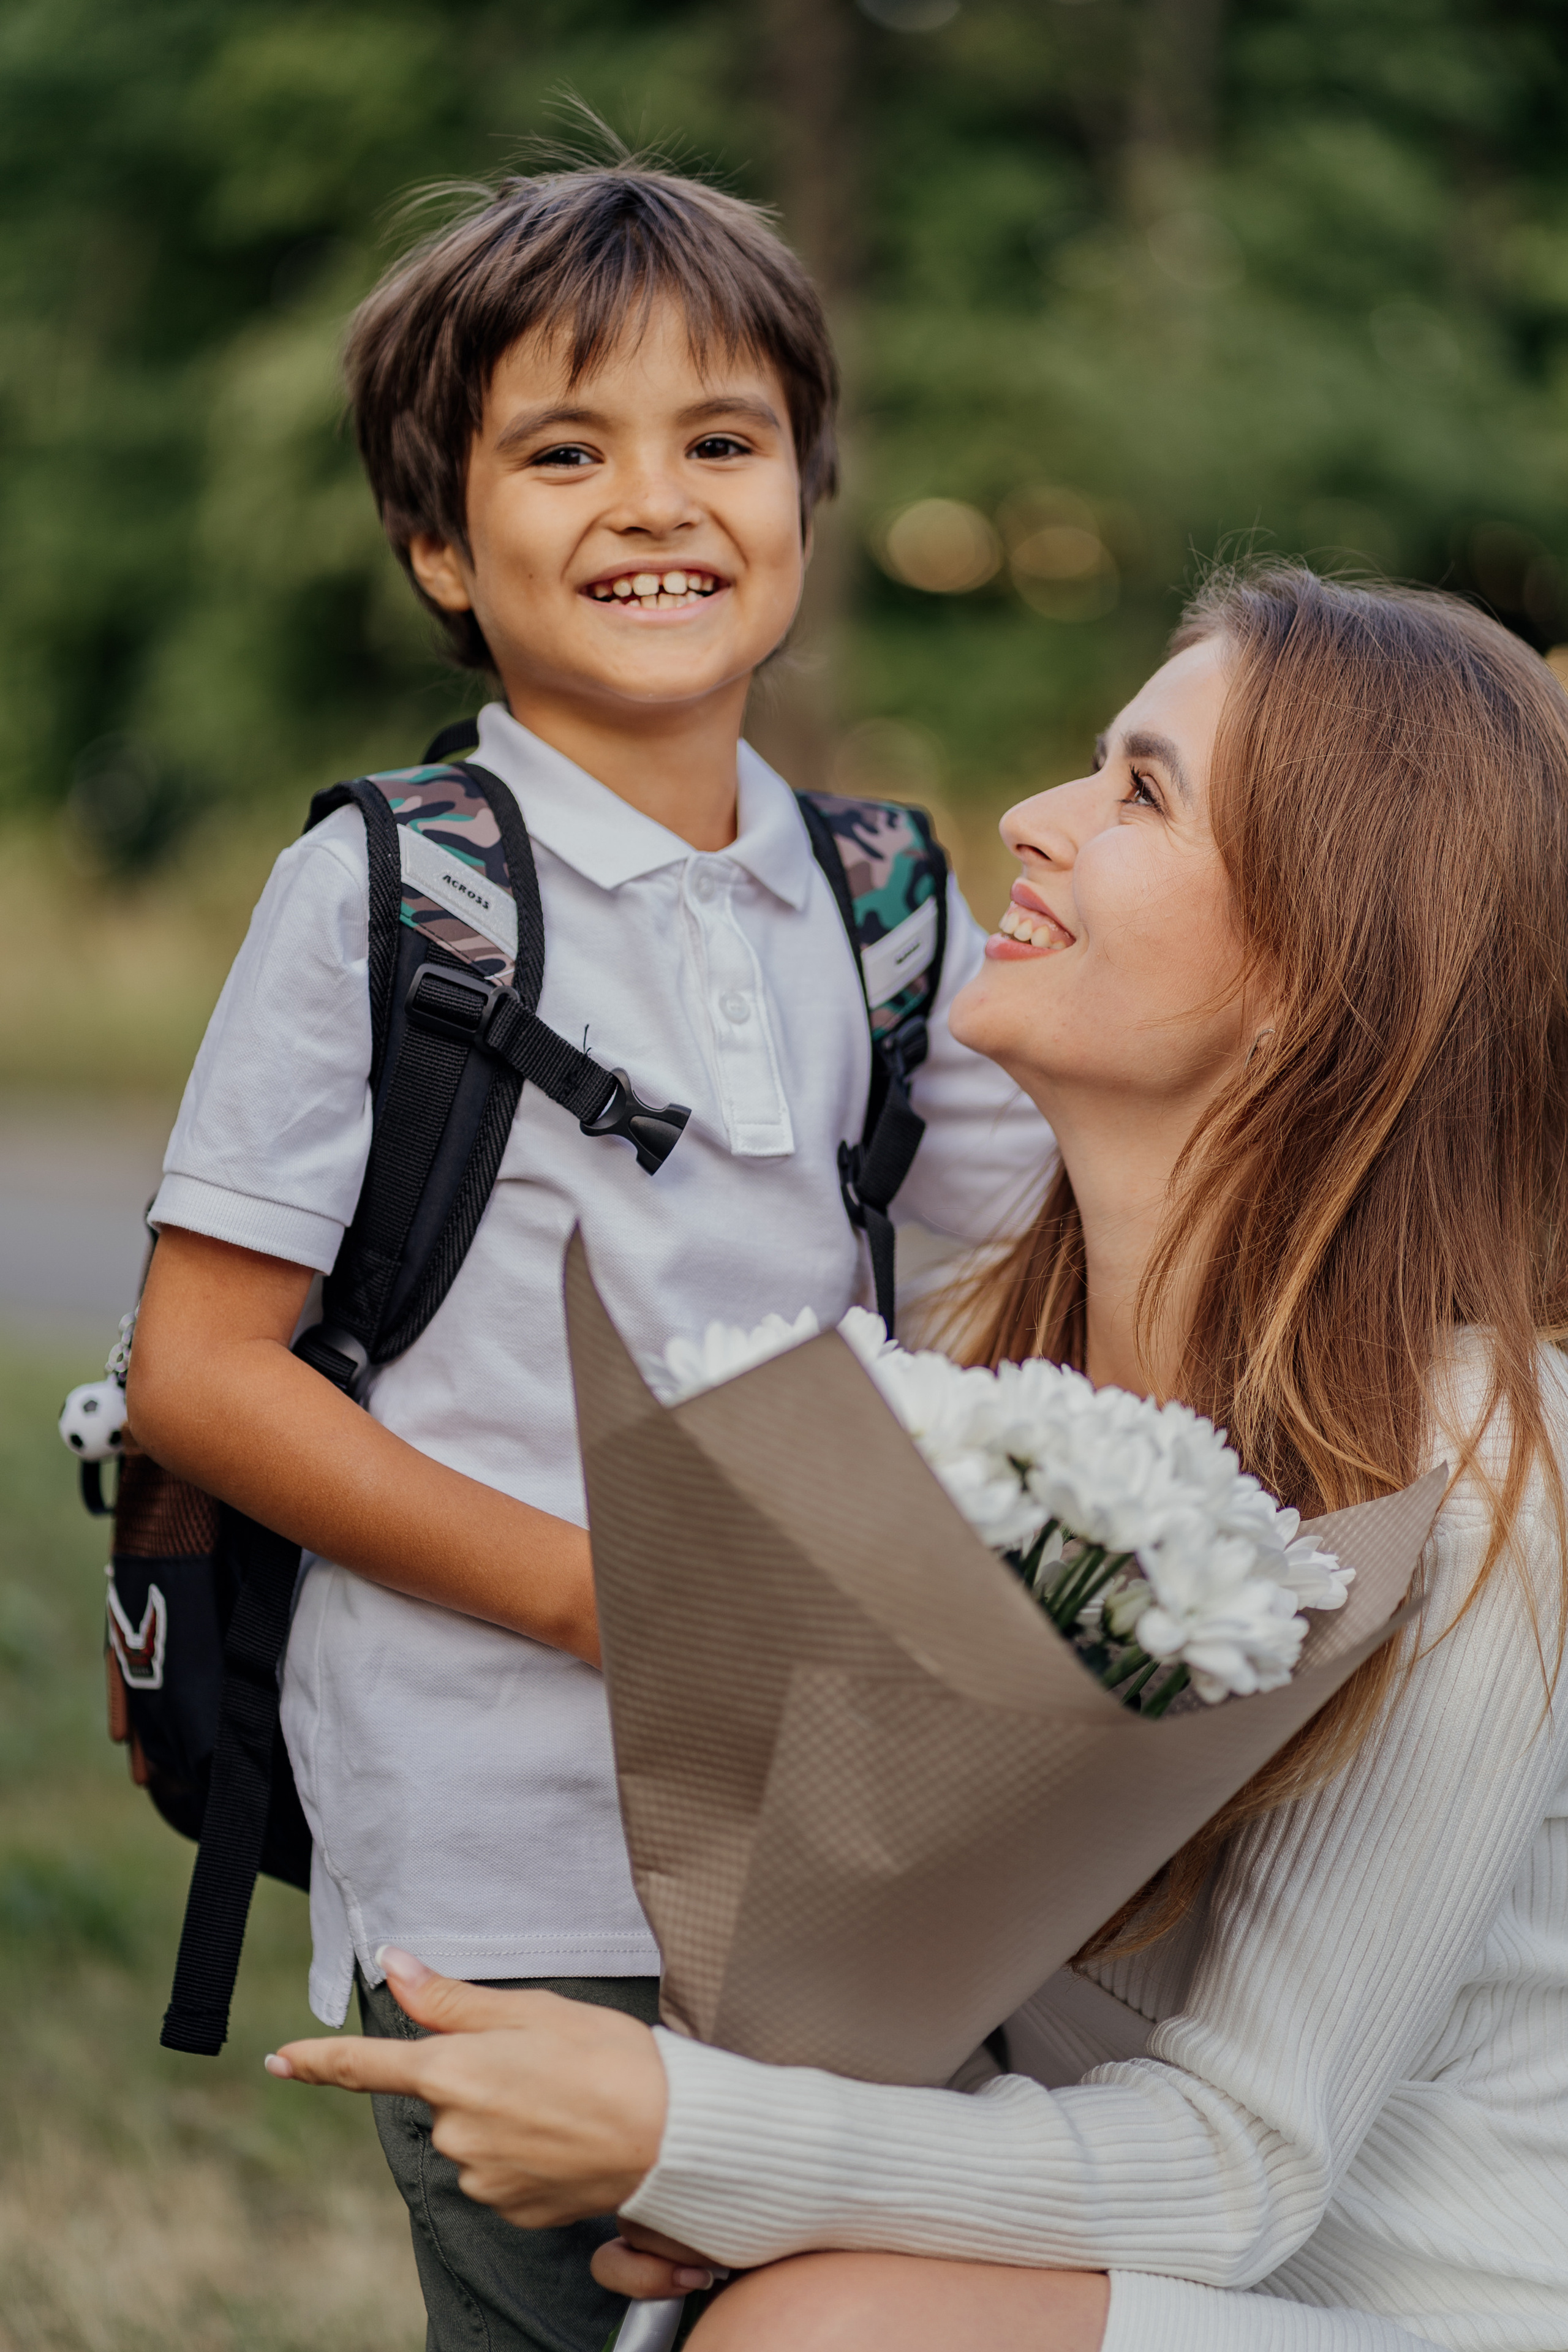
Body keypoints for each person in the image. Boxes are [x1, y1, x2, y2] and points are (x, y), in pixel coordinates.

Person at [269, 566, 1568, 2352]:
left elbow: (1245, 2168)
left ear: (1319, 971)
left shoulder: (1487, 1479)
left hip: (1412, 2313)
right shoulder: (972, 1365)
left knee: (833, 2334)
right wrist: (761, 2177)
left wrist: (693, 2134)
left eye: (1141, 793)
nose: (1031, 823)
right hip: (1098, 2279)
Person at [125, 162, 1049, 2352]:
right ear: (443, 545)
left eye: (721, 443)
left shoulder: (886, 903)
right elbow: (202, 1375)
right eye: (566, 450)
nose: (659, 502)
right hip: (501, 1828)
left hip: (838, 1830)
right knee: (557, 2315)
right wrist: (611, 1602)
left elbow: (1054, 1272)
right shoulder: (383, 892)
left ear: (805, 503)